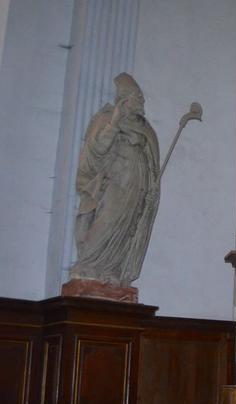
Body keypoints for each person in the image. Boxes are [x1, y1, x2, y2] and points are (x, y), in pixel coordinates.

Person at [71, 73, 161, 287]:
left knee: (126, 232)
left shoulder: (145, 129)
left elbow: (152, 164)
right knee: (106, 223)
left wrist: (152, 189)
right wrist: (114, 124)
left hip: (136, 191)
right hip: (115, 186)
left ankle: (113, 270)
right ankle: (89, 265)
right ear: (125, 100)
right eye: (138, 98)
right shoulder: (106, 119)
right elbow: (96, 151)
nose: (142, 102)